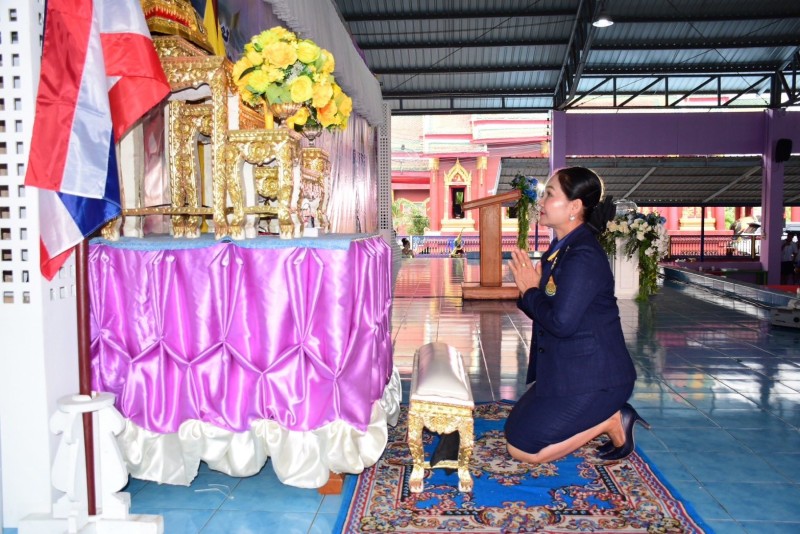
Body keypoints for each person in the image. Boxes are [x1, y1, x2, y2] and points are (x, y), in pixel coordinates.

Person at [504, 166, 646, 465]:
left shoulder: (582, 255)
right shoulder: (561, 249)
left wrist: (530, 291)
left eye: (549, 195)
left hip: (596, 377)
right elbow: (547, 307)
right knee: (515, 428)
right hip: (566, 371)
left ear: (574, 207)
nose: (541, 202)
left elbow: (561, 323)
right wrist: (530, 292)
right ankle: (605, 416)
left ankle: (612, 419)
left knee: (523, 449)